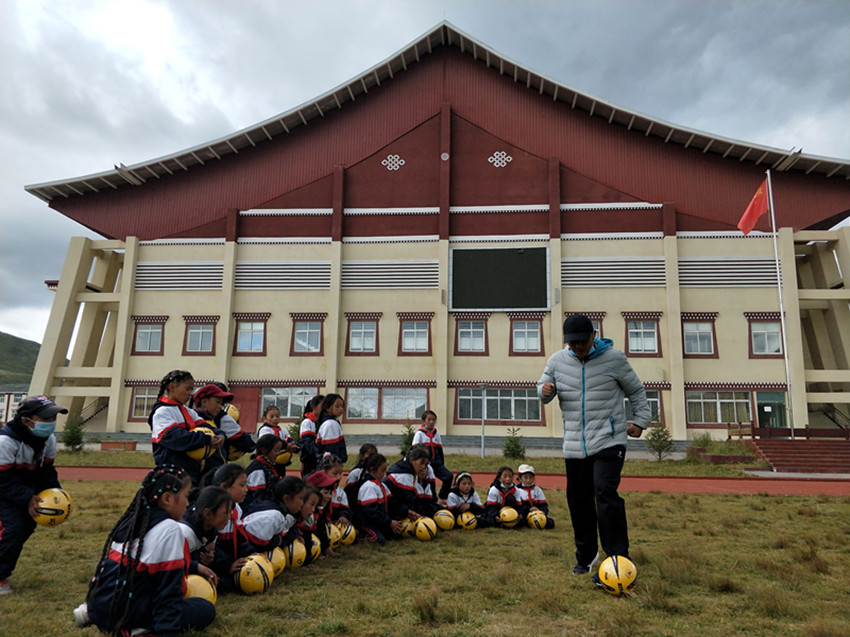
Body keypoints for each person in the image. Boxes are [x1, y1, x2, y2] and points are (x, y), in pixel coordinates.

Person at [537, 313, 649, 583]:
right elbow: (542, 388)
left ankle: (617, 559)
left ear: (593, 336)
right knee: (578, 501)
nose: (577, 346)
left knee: (604, 493)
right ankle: (586, 557)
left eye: (582, 341)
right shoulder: (557, 361)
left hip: (609, 440)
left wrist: (641, 421)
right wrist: (545, 390)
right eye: (572, 342)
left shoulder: (615, 359)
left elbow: (636, 390)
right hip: (575, 445)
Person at [73, 465, 216, 634]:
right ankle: (138, 629)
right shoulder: (170, 529)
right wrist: (166, 632)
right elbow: (168, 592)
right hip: (127, 610)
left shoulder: (133, 520)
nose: (187, 503)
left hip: (100, 604)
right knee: (205, 608)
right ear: (167, 498)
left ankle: (93, 614)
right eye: (185, 496)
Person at [0, 395, 67, 595]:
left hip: (23, 488)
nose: (51, 423)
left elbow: (47, 471)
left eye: (53, 418)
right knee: (11, 529)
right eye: (46, 419)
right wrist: (27, 497)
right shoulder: (5, 442)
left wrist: (57, 494)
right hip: (4, 488)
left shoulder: (49, 440)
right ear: (26, 421)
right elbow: (3, 479)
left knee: (26, 528)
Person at [149, 370, 224, 486]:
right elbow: (176, 438)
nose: (190, 393)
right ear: (172, 387)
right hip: (172, 474)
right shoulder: (162, 412)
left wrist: (220, 435)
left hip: (191, 472)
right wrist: (207, 439)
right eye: (187, 389)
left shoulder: (188, 412)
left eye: (192, 389)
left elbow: (207, 427)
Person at [208, 463, 253, 591]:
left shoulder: (236, 508)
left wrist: (251, 554)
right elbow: (211, 548)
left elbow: (239, 538)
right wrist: (229, 566)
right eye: (242, 485)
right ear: (224, 487)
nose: (246, 489)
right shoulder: (212, 511)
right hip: (213, 562)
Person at [241, 475, 306, 553]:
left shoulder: (277, 508)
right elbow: (259, 544)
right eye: (301, 498)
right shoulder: (274, 516)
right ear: (286, 498)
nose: (302, 503)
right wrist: (277, 540)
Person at [355, 453, 401, 545]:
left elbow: (392, 504)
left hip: (380, 521)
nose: (384, 474)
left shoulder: (381, 485)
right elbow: (371, 512)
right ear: (372, 470)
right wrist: (389, 522)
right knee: (378, 540)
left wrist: (406, 512)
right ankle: (358, 536)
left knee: (396, 534)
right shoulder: (368, 486)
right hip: (367, 522)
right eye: (382, 471)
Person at [411, 410, 453, 503]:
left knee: (448, 476)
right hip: (425, 465)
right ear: (424, 421)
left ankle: (442, 497)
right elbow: (414, 450)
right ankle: (429, 500)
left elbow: (440, 450)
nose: (431, 422)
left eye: (433, 420)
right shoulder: (419, 434)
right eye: (429, 419)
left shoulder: (436, 434)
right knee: (429, 482)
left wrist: (441, 463)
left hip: (437, 464)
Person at [243, 434, 284, 510]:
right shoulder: (258, 470)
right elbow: (258, 497)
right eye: (275, 450)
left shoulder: (267, 466)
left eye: (279, 450)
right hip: (254, 509)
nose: (278, 453)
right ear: (264, 450)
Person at [256, 404, 299, 475]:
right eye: (272, 417)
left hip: (281, 462)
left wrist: (294, 446)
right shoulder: (265, 430)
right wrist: (286, 446)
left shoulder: (282, 430)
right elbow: (269, 443)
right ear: (265, 418)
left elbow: (290, 439)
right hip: (268, 461)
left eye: (277, 416)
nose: (275, 419)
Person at [515, 464, 555, 529]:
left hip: (538, 515)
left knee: (551, 523)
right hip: (524, 515)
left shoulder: (538, 490)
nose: (528, 480)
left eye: (531, 477)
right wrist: (528, 509)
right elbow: (517, 507)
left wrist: (541, 511)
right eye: (525, 478)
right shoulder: (516, 490)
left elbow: (544, 505)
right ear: (520, 478)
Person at [316, 394, 348, 465]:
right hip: (330, 466)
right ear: (328, 408)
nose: (341, 409)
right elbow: (331, 450)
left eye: (342, 406)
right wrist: (334, 465)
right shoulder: (330, 424)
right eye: (337, 406)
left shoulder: (329, 422)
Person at [298, 395, 324, 477]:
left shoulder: (321, 422)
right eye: (322, 406)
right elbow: (307, 441)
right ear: (314, 407)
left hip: (318, 459)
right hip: (309, 460)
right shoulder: (307, 422)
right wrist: (318, 453)